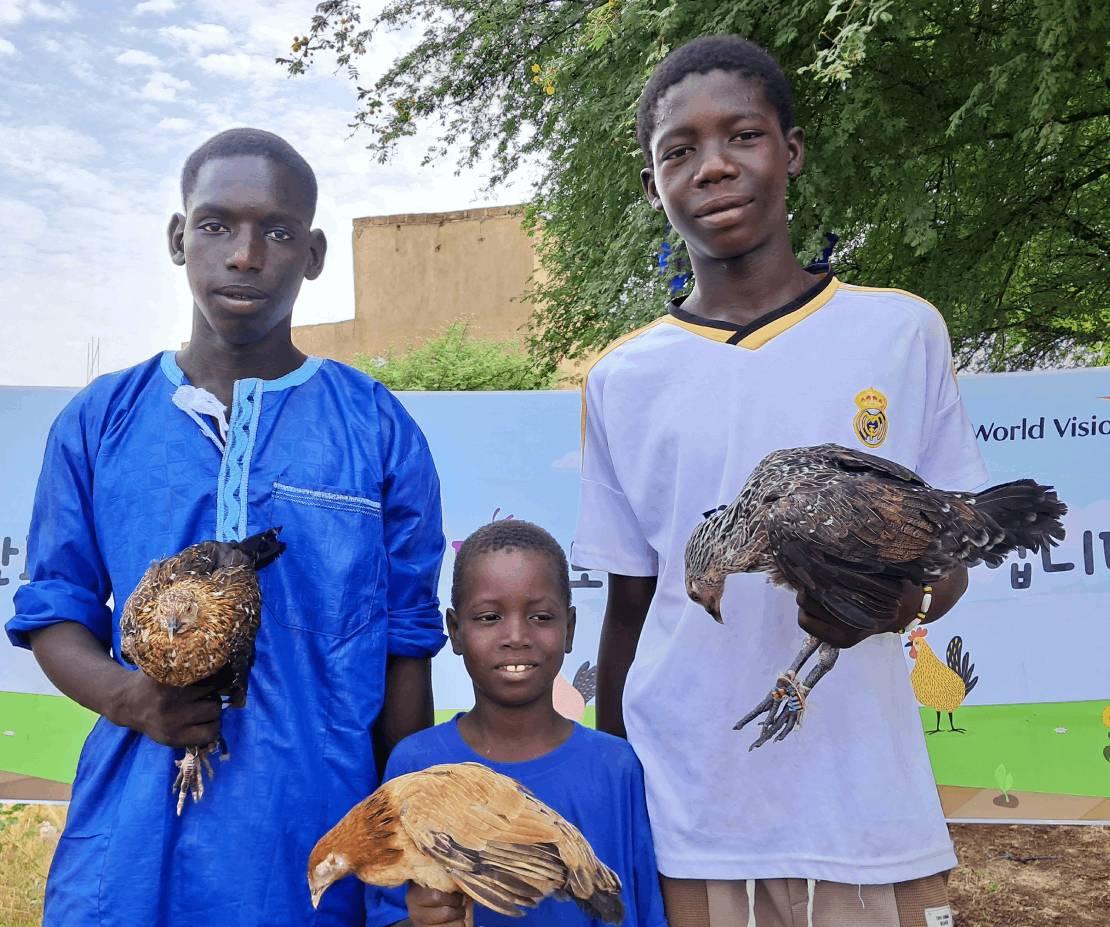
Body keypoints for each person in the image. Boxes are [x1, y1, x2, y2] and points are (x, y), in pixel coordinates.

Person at [572, 35, 987, 927]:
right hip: (690, 803)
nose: (712, 167)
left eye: (743, 136)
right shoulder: (622, 377)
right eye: (678, 151)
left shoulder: (900, 333)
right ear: (655, 187)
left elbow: (948, 568)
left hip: (865, 797)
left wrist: (899, 591)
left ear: (790, 151)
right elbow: (631, 605)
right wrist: (611, 782)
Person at [6, 128, 446, 926]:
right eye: (216, 225)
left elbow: (404, 654)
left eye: (277, 232)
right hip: (133, 854)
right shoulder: (100, 422)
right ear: (179, 239)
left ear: (311, 254)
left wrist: (398, 865)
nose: (245, 255)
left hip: (318, 847)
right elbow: (54, 616)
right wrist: (135, 699)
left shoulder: (376, 428)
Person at [372, 520, 667, 927]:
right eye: (490, 617)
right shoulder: (415, 767)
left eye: (541, 617)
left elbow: (638, 912)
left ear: (570, 629)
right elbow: (385, 913)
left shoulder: (616, 768)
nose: (516, 636)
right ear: (455, 632)